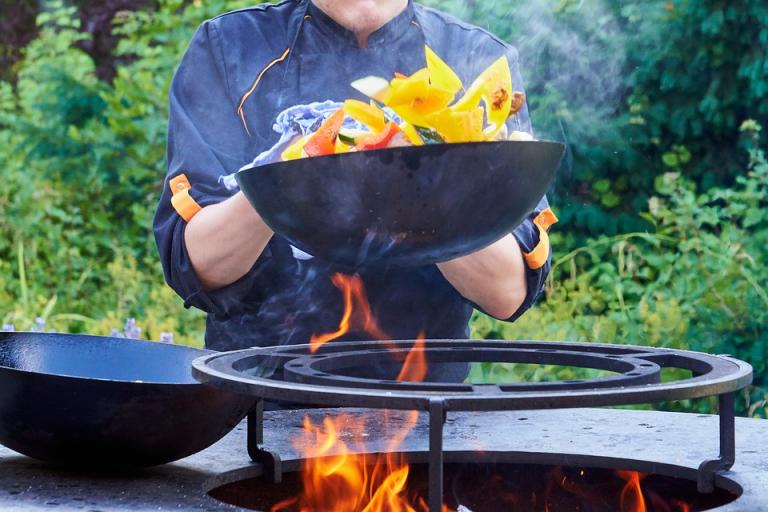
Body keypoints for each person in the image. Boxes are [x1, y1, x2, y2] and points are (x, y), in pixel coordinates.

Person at [153, 0, 556, 363]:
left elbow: (508, 293)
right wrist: (292, 169)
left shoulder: (474, 59)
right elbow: (196, 264)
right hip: (255, 401)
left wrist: (419, 177)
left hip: (423, 411)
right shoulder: (230, 47)